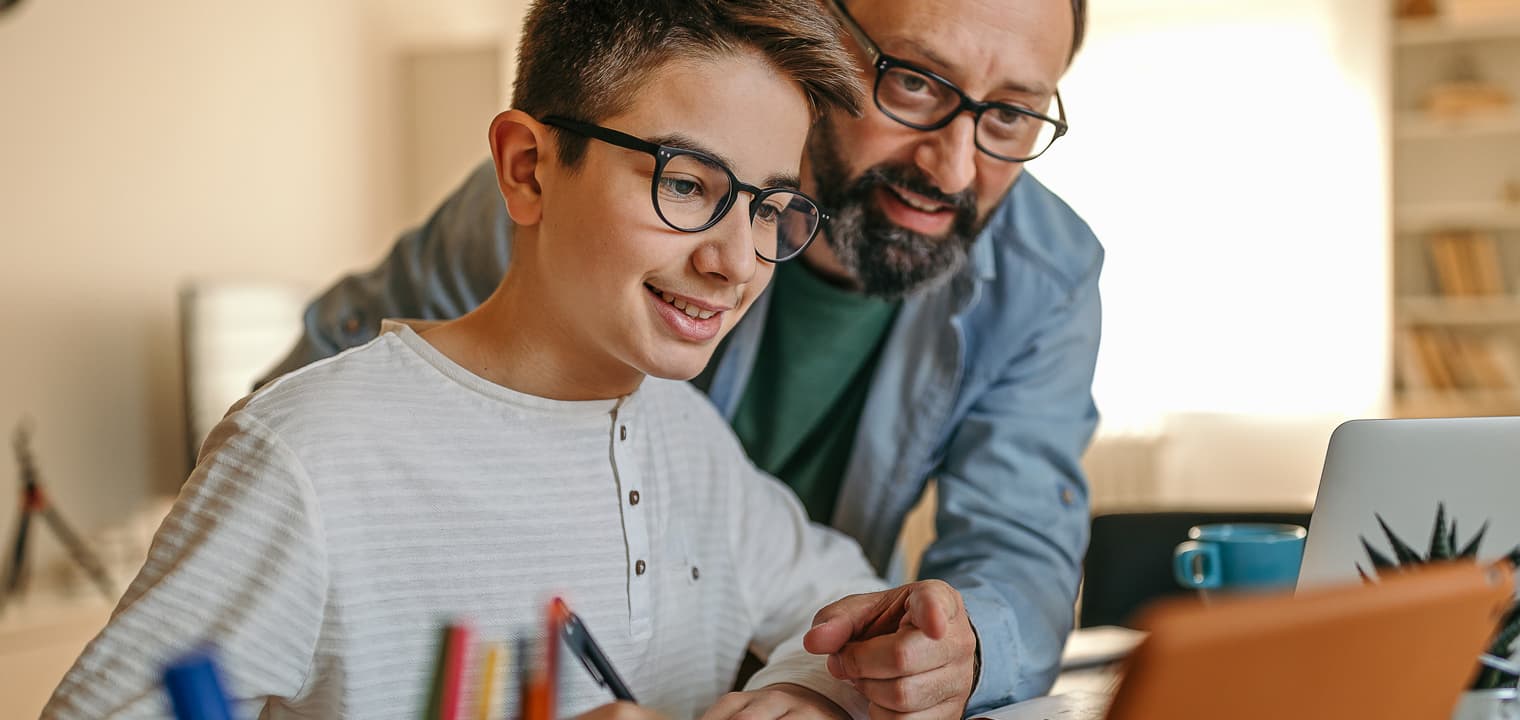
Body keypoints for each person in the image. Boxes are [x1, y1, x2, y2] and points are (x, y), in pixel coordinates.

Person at [42, 2, 978, 718]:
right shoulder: (311, 455)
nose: (734, 261)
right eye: (687, 184)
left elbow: (855, 605)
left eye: (769, 208)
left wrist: (809, 690)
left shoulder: (686, 440)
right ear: (529, 169)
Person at [266, 0, 1100, 712]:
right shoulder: (574, 184)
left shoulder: (1045, 274)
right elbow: (333, 418)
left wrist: (905, 666)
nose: (954, 165)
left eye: (1011, 115)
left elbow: (1009, 549)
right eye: (915, 81)